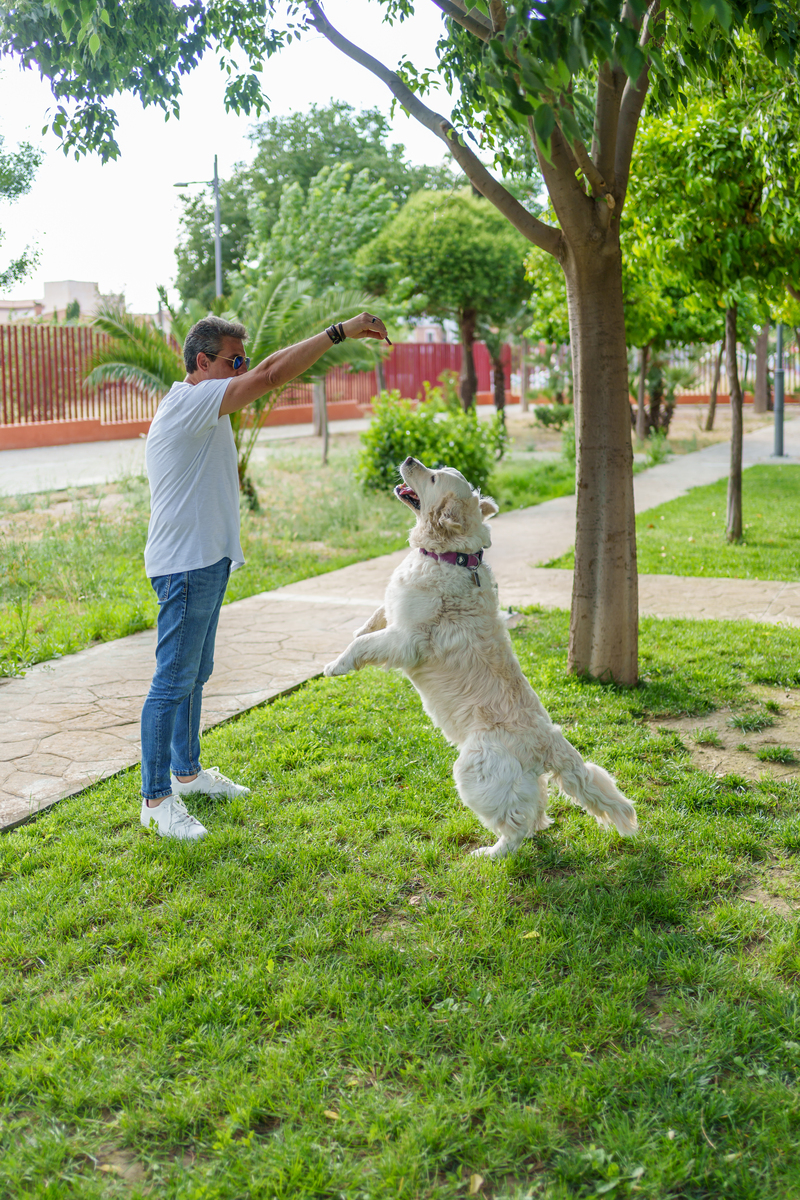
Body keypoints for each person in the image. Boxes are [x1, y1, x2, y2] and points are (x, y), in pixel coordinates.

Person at [140, 311, 389, 840]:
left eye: (244, 360)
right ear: (202, 363)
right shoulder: (190, 400)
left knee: (195, 674)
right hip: (185, 567)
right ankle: (156, 799)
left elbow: (264, 371)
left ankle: (186, 774)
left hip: (205, 562)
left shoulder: (202, 403)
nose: (244, 369)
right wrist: (338, 332)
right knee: (171, 683)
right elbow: (275, 374)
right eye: (235, 361)